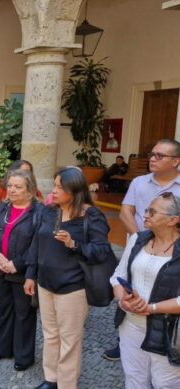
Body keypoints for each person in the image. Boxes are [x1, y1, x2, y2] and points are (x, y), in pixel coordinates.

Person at [24, 167, 111, 389]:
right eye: (54, 185)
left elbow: (101, 251)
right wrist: (30, 275)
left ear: (74, 190)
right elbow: (36, 244)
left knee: (70, 340)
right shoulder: (48, 211)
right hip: (45, 283)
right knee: (50, 335)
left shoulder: (91, 215)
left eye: (59, 187)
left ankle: (66, 384)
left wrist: (75, 244)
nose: (53, 191)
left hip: (73, 287)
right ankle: (50, 379)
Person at [104, 139, 180, 361]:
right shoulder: (139, 182)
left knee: (163, 293)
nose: (152, 159)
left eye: (159, 156)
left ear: (176, 161)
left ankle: (166, 345)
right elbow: (126, 211)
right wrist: (142, 238)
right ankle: (125, 342)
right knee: (132, 288)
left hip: (170, 251)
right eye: (152, 153)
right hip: (140, 247)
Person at [110, 193, 180, 388]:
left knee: (165, 384)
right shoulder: (137, 240)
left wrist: (151, 308)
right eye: (147, 209)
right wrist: (122, 299)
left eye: (152, 211)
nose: (145, 214)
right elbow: (118, 275)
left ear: (173, 220)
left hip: (168, 331)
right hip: (131, 325)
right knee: (134, 379)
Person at [0, 169, 42, 372]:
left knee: (24, 313)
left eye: (18, 187)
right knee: (4, 309)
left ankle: (24, 355)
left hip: (22, 273)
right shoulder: (2, 207)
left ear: (30, 190)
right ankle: (2, 348)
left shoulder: (39, 213)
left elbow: (38, 245)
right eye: (9, 186)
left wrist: (17, 263)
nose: (12, 190)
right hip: (0, 269)